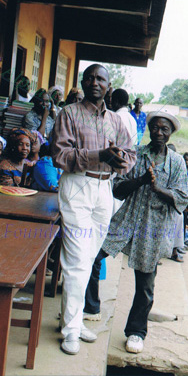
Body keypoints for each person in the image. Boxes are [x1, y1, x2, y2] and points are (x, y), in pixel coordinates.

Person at [50, 64, 135, 355]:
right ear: (83, 82)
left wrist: (123, 160)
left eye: (101, 79)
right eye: (91, 77)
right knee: (76, 260)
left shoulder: (115, 120)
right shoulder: (69, 114)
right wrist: (99, 154)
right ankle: (71, 329)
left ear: (108, 85)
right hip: (77, 186)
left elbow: (130, 152)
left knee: (89, 257)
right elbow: (60, 155)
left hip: (104, 190)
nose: (95, 82)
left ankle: (72, 319)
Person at [96, 111, 188, 353]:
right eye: (155, 128)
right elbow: (117, 189)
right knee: (93, 256)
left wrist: (158, 189)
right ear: (149, 129)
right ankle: (89, 308)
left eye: (164, 129)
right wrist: (141, 182)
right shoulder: (135, 154)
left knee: (145, 284)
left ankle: (136, 332)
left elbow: (182, 198)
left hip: (154, 227)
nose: (159, 132)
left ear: (171, 134)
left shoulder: (177, 162)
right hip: (127, 218)